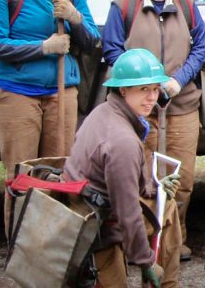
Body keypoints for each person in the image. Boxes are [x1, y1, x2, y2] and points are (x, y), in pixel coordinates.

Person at [0, 0, 99, 234]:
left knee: (58, 172)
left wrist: (75, 18)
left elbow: (91, 41)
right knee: (22, 176)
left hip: (62, 93)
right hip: (16, 94)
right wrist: (42, 47)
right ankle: (21, 250)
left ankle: (51, 248)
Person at [102, 0, 205, 261]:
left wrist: (177, 80)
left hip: (181, 105)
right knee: (139, 175)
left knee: (182, 177)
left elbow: (200, 47)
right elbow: (111, 50)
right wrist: (143, 84)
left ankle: (176, 239)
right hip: (137, 111)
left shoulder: (187, 5)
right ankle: (143, 239)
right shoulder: (124, 6)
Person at [62, 49, 180, 288]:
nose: (151, 98)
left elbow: (120, 181)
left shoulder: (104, 111)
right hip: (95, 227)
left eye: (155, 89)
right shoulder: (123, 141)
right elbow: (127, 213)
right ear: (123, 90)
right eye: (143, 89)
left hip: (84, 209)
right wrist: (146, 263)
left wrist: (153, 187)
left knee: (167, 204)